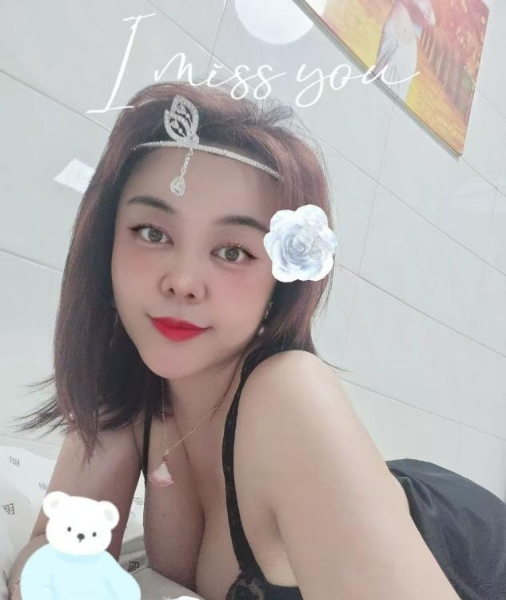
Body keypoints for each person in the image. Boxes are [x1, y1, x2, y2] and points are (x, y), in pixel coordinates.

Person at [7, 80, 506, 600]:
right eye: (153, 233)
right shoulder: (135, 380)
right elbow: (54, 547)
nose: (182, 281)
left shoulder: (287, 392)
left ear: (278, 285)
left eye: (233, 252)